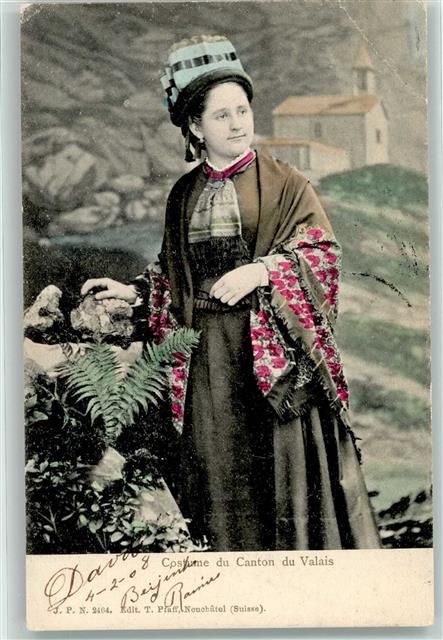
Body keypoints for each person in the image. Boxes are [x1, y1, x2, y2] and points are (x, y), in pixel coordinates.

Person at [82, 35, 380, 551]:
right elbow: (172, 274)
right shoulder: (183, 195)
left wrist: (263, 271)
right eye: (222, 116)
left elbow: (322, 255)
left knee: (279, 477)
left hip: (268, 357)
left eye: (243, 110)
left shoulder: (288, 184)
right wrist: (132, 293)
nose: (238, 124)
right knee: (218, 477)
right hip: (206, 361)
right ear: (195, 127)